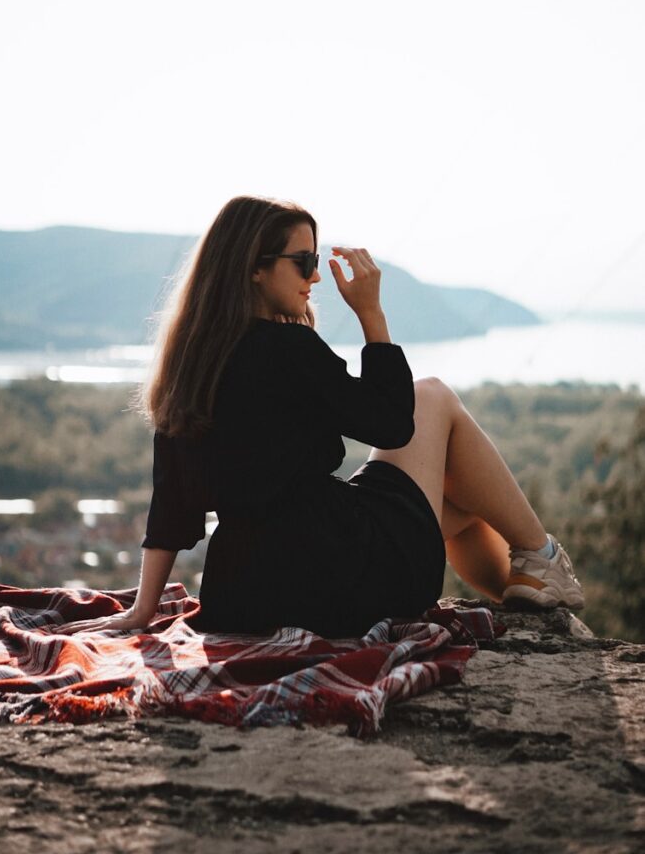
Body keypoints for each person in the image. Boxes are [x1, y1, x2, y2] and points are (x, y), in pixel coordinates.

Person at [62, 195, 584, 637]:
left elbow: (171, 500)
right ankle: (541, 556)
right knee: (432, 395)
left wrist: (142, 610)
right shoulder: (288, 347)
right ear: (255, 267)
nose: (315, 276)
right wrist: (372, 315)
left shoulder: (187, 366)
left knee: (459, 503)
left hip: (242, 592)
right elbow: (391, 424)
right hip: (340, 572)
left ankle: (527, 590)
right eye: (303, 262)